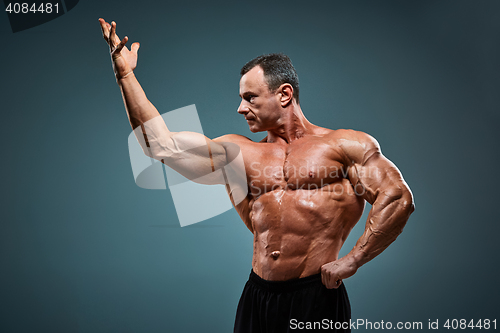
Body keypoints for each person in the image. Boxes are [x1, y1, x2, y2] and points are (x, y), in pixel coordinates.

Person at [99, 18, 415, 333]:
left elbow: (397, 197)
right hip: (258, 296)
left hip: (315, 297)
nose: (240, 108)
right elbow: (159, 144)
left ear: (285, 95)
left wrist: (353, 260)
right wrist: (125, 75)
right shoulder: (238, 153)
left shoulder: (344, 145)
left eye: (250, 97)